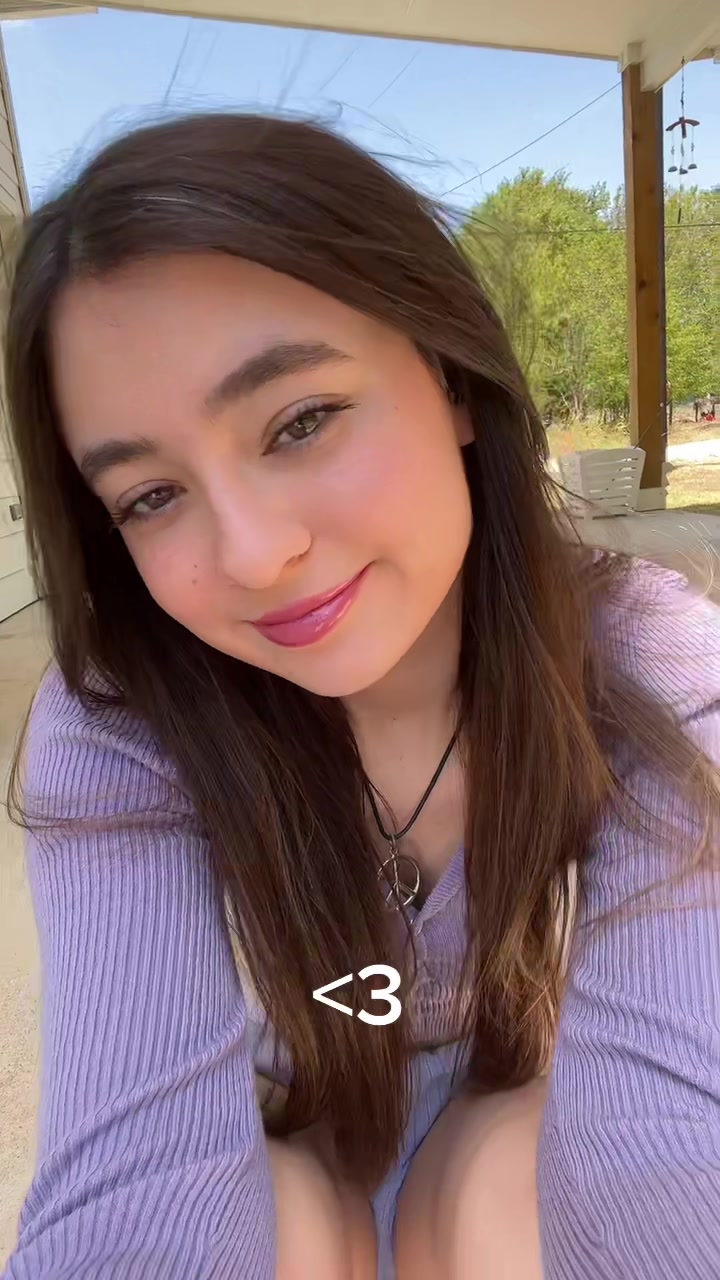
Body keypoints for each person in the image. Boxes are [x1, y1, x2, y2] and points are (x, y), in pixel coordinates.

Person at [2, 112, 720, 1280]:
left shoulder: (649, 655)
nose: (253, 553)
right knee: (286, 1221)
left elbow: (661, 1144)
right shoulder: (122, 724)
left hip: (513, 1122)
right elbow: (136, 1192)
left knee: (504, 1194)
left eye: (300, 421)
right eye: (150, 496)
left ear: (449, 374)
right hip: (282, 1140)